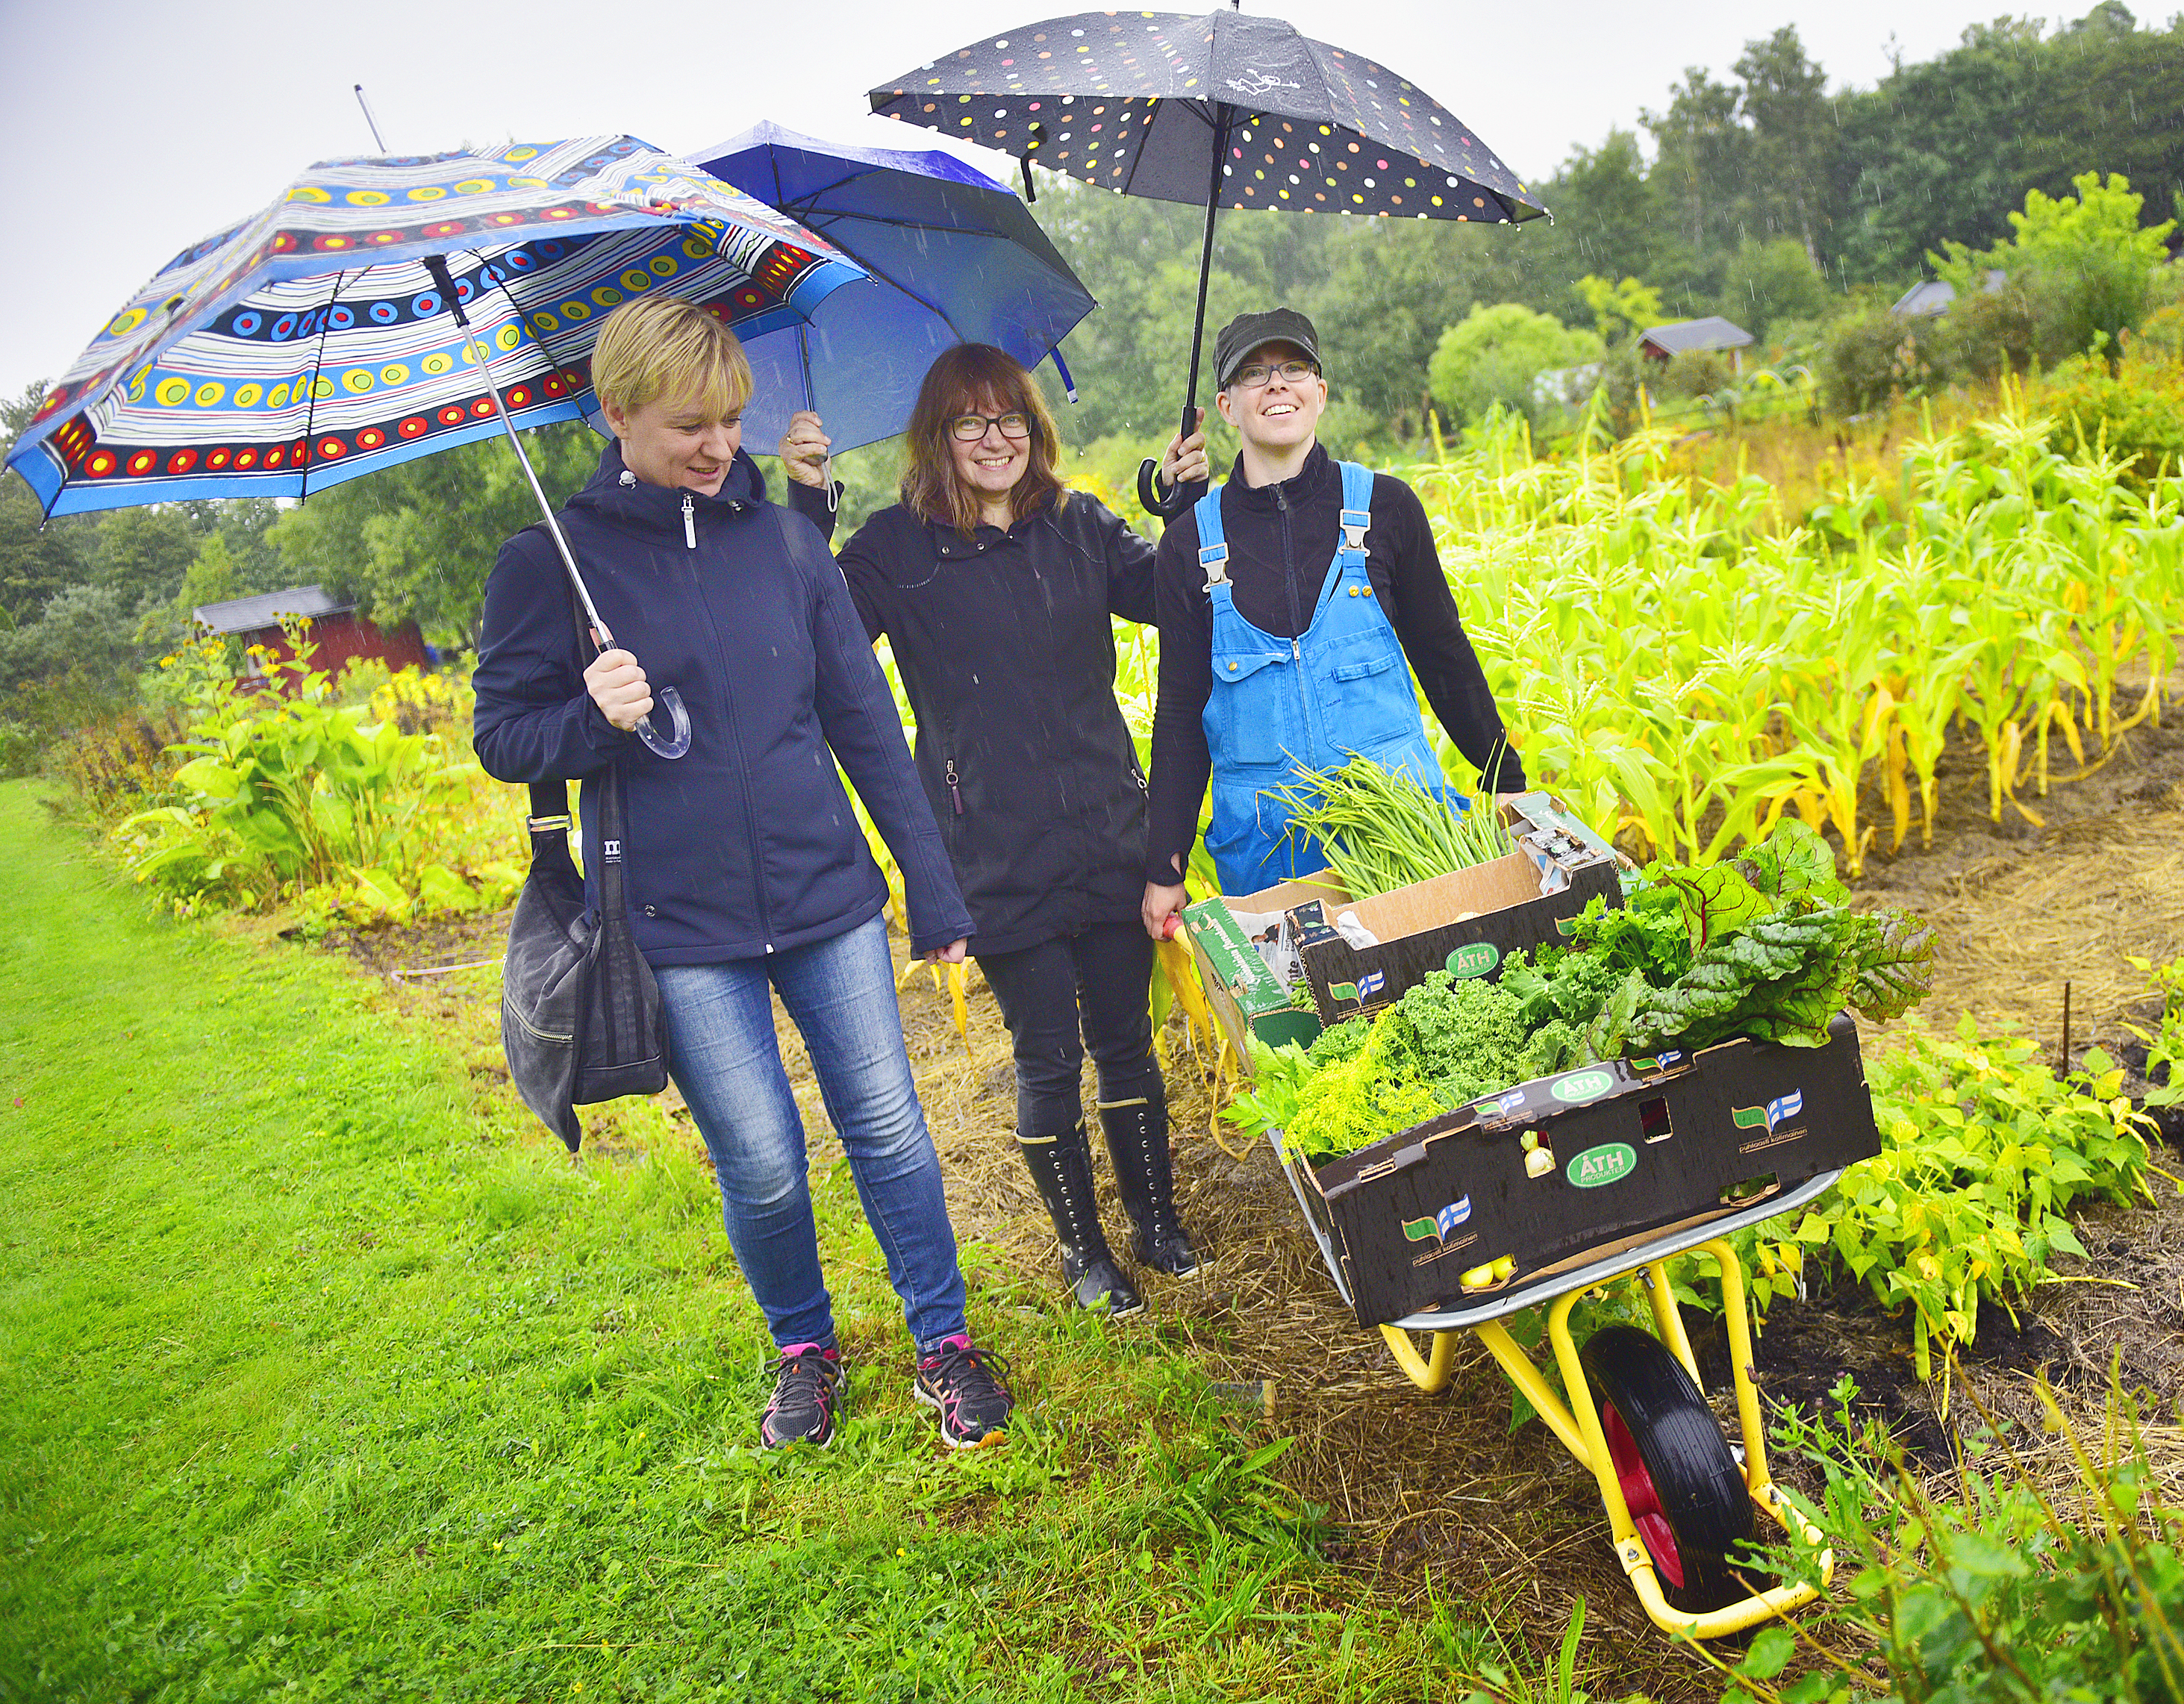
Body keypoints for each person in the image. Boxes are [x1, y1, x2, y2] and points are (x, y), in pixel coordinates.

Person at [473, 296, 1014, 1452]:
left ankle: (943, 1342)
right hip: (678, 924)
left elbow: (865, 724)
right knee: (763, 1160)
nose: (717, 449)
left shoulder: (783, 543)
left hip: (826, 897)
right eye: (687, 427)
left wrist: (934, 889)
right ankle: (805, 1350)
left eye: (728, 420)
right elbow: (503, 738)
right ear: (614, 413)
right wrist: (587, 716)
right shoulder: (548, 563)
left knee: (889, 1127)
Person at [779, 346, 1208, 1318]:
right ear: (937, 436)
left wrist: (1184, 508)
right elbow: (819, 637)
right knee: (1048, 1053)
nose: (994, 437)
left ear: (1035, 428)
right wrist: (808, 503)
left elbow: (1172, 604)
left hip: (1108, 830)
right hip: (992, 852)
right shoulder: (895, 551)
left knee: (1128, 1043)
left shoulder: (1079, 523)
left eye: (1010, 416)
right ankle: (1083, 1249)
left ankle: (1156, 1220)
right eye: (969, 421)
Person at [1140, 308, 1527, 937]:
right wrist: (1165, 866)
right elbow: (1181, 714)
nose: (1276, 384)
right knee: (1306, 1031)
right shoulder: (1186, 546)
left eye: (1294, 368)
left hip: (1405, 839)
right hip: (1271, 856)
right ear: (1225, 406)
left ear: (1319, 393)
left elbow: (1443, 656)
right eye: (1253, 374)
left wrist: (1503, 778)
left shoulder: (1386, 507)